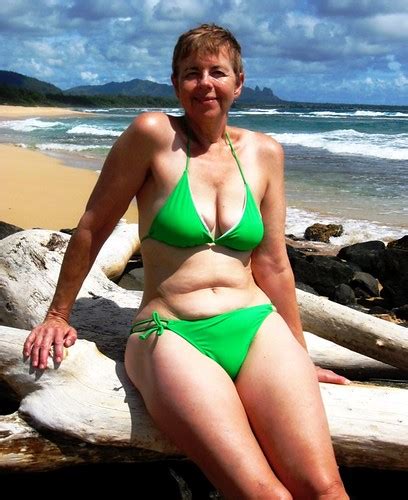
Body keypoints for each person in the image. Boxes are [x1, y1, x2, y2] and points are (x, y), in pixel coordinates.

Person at [24, 23, 349, 499]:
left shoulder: (265, 153)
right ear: (176, 84)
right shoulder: (152, 135)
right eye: (191, 72)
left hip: (256, 326)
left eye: (217, 71)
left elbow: (274, 265)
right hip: (172, 333)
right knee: (264, 493)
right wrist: (57, 315)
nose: (205, 83)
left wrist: (299, 356)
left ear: (238, 83)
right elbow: (93, 227)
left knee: (325, 488)